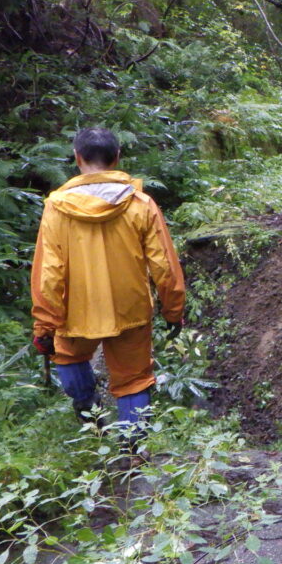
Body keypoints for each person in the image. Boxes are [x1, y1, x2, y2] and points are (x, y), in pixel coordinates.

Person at [30, 127, 185, 444]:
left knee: (69, 357)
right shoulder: (141, 204)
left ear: (77, 158)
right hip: (130, 307)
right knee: (133, 381)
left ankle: (91, 415)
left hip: (76, 309)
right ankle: (133, 456)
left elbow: (49, 272)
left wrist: (44, 326)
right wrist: (173, 311)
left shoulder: (57, 208)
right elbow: (164, 266)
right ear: (117, 158)